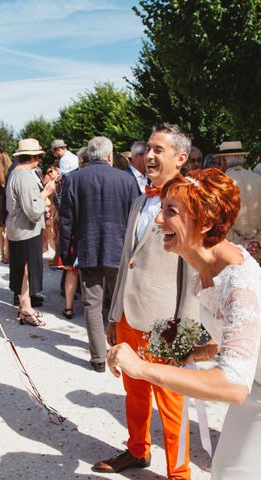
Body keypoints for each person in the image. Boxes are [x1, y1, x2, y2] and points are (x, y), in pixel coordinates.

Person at [108, 169, 261, 479]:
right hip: (258, 382)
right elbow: (230, 335)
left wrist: (142, 369)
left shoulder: (239, 284)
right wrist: (185, 351)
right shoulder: (203, 267)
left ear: (204, 223)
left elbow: (233, 385)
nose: (158, 220)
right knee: (226, 467)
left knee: (242, 472)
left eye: (171, 212)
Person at [93, 124, 197, 479]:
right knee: (133, 392)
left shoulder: (191, 201)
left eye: (159, 150)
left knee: (171, 403)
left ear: (181, 158)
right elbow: (128, 261)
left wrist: (186, 328)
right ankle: (137, 450)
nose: (149, 156)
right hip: (128, 317)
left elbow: (195, 272)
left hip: (168, 321)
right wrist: (112, 314)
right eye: (148, 149)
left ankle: (179, 472)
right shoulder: (140, 199)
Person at [59, 136, 140, 371]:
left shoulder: (74, 179)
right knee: (120, 304)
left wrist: (64, 254)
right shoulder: (126, 180)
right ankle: (122, 353)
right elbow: (136, 219)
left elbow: (66, 222)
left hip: (89, 248)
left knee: (92, 305)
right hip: (120, 250)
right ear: (110, 156)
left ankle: (98, 358)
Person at [6, 138, 55, 326]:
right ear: (35, 157)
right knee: (26, 269)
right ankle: (25, 308)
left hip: (19, 229)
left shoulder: (17, 173)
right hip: (26, 230)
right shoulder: (24, 176)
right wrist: (45, 194)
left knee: (22, 268)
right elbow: (33, 211)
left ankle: (24, 306)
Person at [215, 141, 261, 267]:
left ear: (223, 161)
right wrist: (257, 241)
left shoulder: (219, 184)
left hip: (229, 253)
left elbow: (218, 220)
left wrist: (242, 244)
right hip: (256, 253)